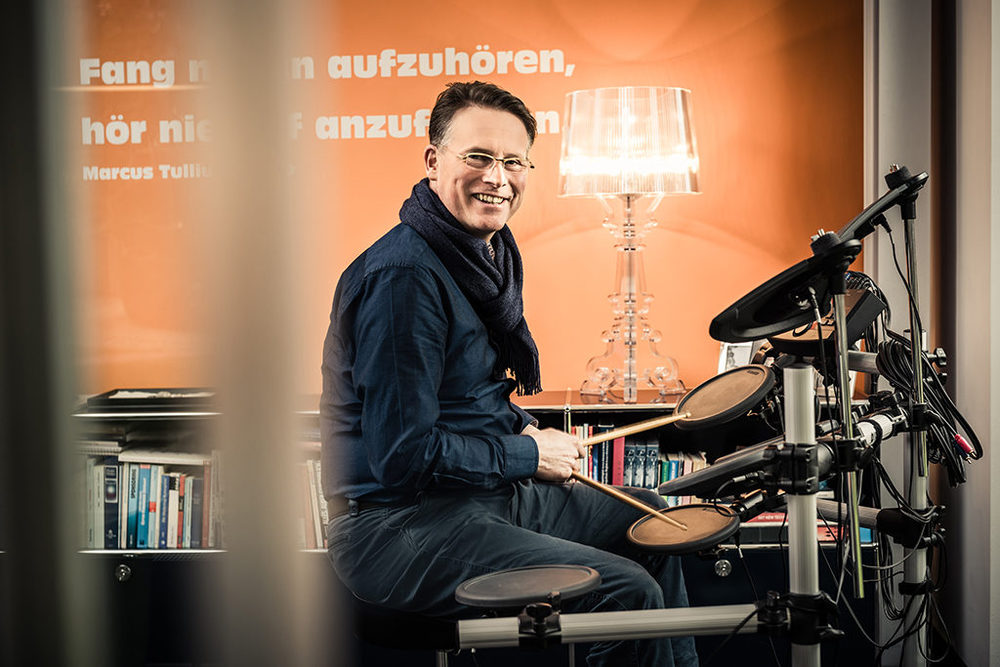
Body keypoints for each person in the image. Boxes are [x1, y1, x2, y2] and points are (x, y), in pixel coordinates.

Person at [320, 80, 698, 666]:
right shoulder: (404, 279)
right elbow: (402, 455)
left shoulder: (478, 257)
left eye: (513, 162)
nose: (497, 177)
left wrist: (521, 428)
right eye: (478, 157)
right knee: (626, 590)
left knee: (653, 522)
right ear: (433, 161)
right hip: (396, 527)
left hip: (481, 497)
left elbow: (465, 397)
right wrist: (528, 455)